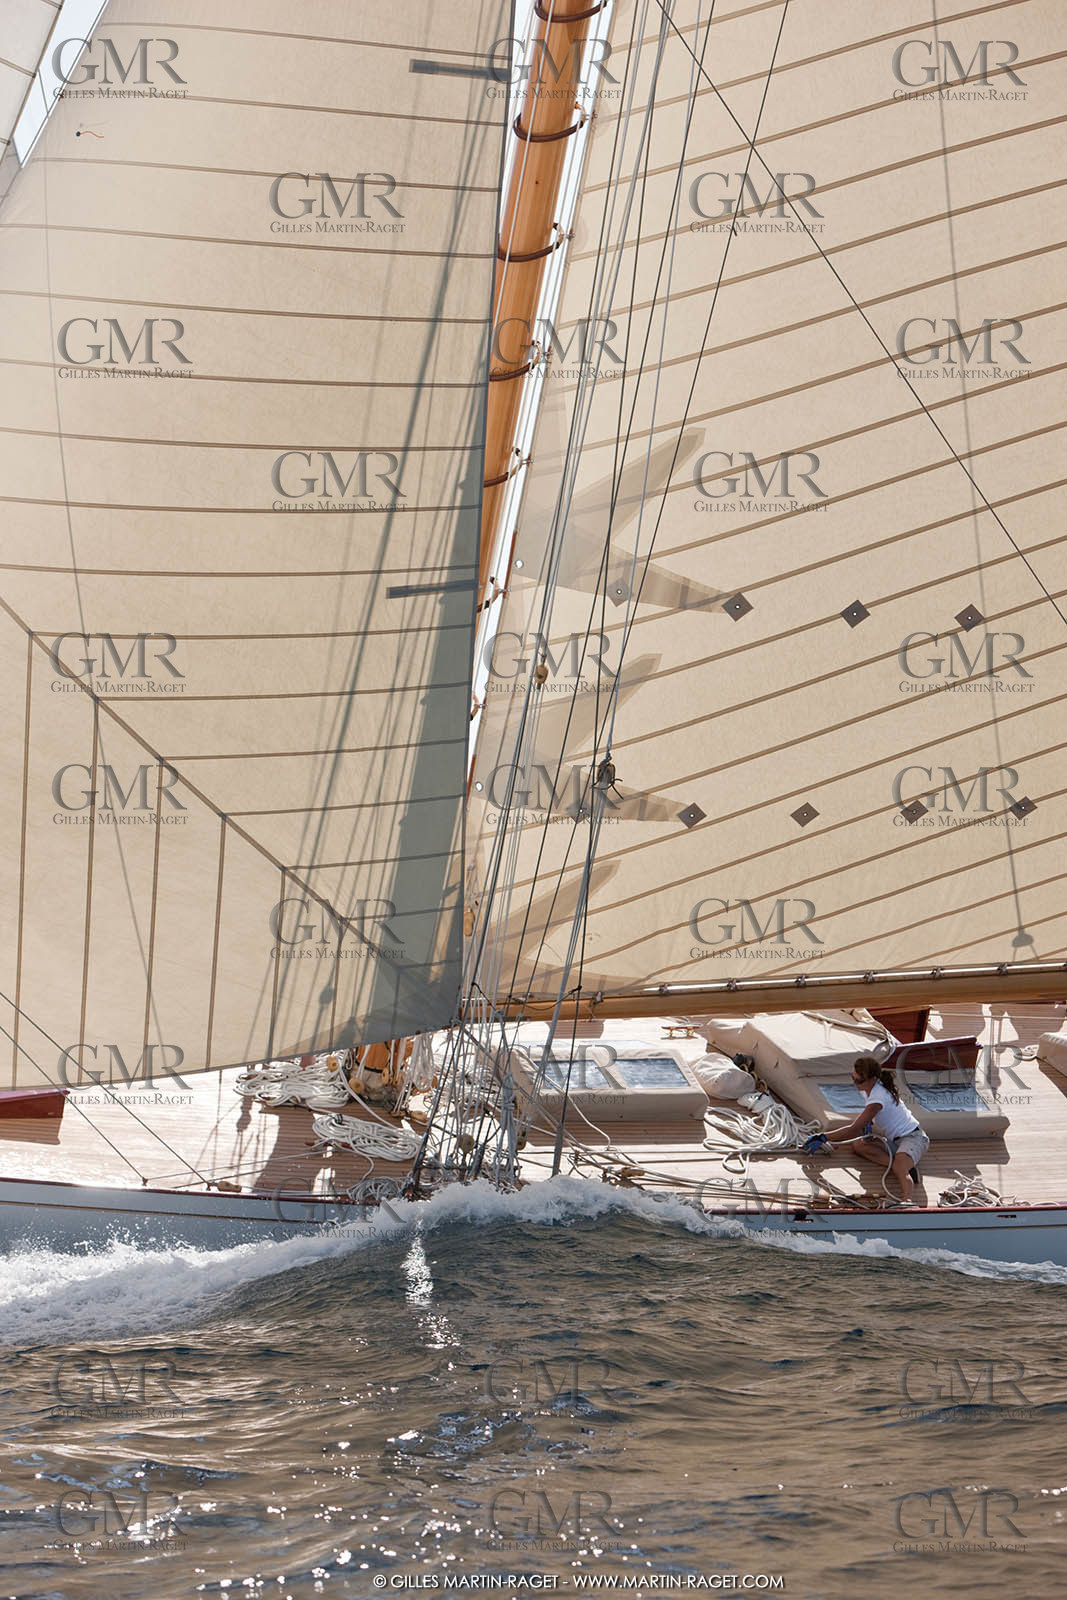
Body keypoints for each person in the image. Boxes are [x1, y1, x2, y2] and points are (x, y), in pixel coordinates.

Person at [825, 1055, 930, 1202]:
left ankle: (907, 1201)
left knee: (900, 1167)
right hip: (896, 1140)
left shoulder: (877, 1098)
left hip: (914, 1138)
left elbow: (853, 1129)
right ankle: (902, 1166)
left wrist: (823, 1137)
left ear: (872, 1079)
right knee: (859, 1145)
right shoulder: (869, 1088)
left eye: (859, 1081)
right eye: (853, 1078)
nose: (856, 1084)